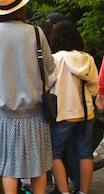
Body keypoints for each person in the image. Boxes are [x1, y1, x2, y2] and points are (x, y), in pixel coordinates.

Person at [0, 0, 55, 194]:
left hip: (6, 112)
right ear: (20, 8)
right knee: (38, 165)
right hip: (36, 109)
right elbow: (49, 67)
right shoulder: (35, 32)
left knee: (8, 166)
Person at [46, 20, 98, 194]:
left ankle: (63, 190)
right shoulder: (88, 59)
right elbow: (94, 88)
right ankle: (82, 191)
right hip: (86, 114)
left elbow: (47, 85)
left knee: (53, 153)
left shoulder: (55, 59)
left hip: (63, 114)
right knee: (84, 153)